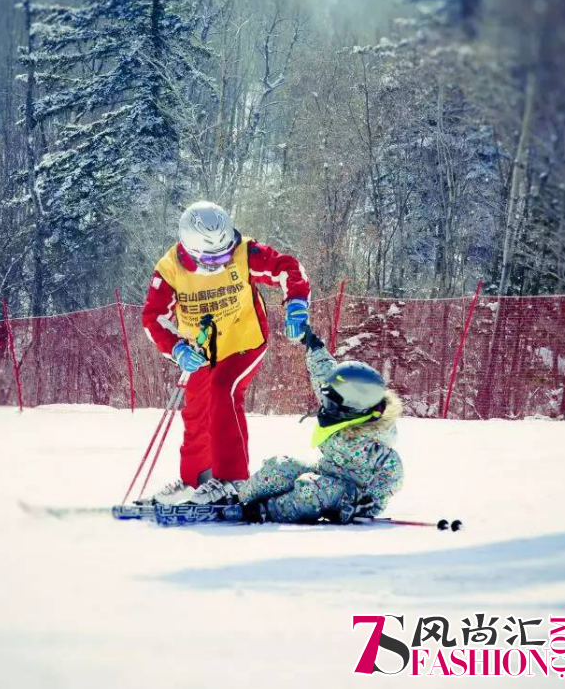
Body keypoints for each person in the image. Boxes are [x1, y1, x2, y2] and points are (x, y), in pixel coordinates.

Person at [142, 200, 310, 504]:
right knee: (196, 412)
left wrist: (296, 301)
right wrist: (177, 349)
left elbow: (286, 267)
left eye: (226, 251)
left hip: (244, 340)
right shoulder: (169, 270)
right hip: (203, 350)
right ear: (191, 251)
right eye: (214, 257)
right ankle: (197, 481)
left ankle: (233, 481)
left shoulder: (244, 252)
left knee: (224, 390)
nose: (223, 260)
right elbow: (153, 318)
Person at [234, 330, 403, 523]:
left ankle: (266, 510)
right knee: (281, 467)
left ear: (355, 409)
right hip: (325, 472)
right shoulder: (343, 405)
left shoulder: (375, 442)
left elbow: (393, 473)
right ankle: (241, 497)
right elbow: (324, 373)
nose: (325, 407)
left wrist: (368, 502)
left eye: (331, 404)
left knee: (308, 489)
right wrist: (313, 345)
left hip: (350, 494)